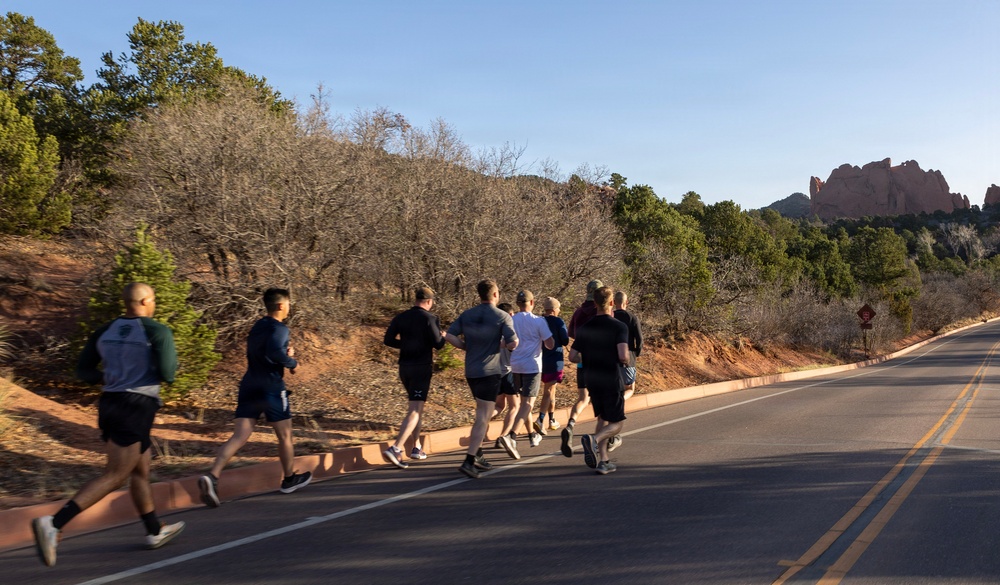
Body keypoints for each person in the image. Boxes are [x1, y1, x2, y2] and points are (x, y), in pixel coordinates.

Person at [32, 283, 184, 567]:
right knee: (116, 474)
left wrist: (111, 378)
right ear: (147, 301)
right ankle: (53, 523)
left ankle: (154, 530)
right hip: (136, 406)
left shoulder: (104, 330)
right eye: (154, 300)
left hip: (110, 403)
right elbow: (168, 374)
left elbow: (84, 371)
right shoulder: (157, 331)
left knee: (140, 468)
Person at [199, 288, 311, 507]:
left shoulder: (257, 326)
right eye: (288, 303)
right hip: (271, 386)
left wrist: (282, 356)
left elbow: (261, 352)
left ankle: (212, 476)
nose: (289, 307)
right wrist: (292, 362)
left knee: (239, 436)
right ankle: (289, 479)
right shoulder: (280, 328)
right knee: (285, 436)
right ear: (280, 306)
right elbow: (274, 353)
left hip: (249, 384)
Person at [445, 279, 518, 478]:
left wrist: (465, 347)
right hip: (490, 371)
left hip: (471, 371)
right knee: (483, 417)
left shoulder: (467, 314)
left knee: (481, 412)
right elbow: (513, 343)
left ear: (480, 295)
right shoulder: (502, 316)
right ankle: (469, 460)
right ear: (495, 295)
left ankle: (478, 454)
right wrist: (501, 345)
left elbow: (449, 336)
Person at [382, 286, 447, 469]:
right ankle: (396, 448)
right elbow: (438, 344)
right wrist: (443, 335)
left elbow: (388, 340)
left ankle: (416, 447)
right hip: (421, 367)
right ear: (429, 301)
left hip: (404, 367)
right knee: (415, 410)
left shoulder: (401, 317)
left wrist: (406, 344)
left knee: (416, 406)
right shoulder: (430, 318)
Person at [568, 286, 629, 475]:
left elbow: (572, 356)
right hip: (611, 377)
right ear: (611, 303)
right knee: (617, 423)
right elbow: (623, 356)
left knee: (602, 417)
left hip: (592, 378)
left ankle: (604, 461)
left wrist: (588, 357)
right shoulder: (619, 326)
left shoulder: (585, 328)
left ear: (594, 303)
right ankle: (594, 440)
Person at [495, 291, 553, 457]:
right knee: (527, 404)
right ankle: (511, 436)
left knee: (522, 404)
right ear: (532, 302)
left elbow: (506, 343)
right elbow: (549, 344)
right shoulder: (539, 321)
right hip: (532, 366)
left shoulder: (511, 320)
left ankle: (531, 435)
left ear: (518, 303)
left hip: (515, 366)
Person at [561, 279, 602, 458]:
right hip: (599, 361)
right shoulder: (599, 311)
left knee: (583, 397)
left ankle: (570, 424)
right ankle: (598, 442)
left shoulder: (578, 312)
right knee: (600, 400)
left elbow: (571, 334)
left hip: (581, 360)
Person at [609, 290, 643, 452]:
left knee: (615, 387)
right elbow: (639, 339)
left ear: (613, 302)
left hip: (611, 357)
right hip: (628, 356)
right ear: (626, 302)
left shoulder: (610, 316)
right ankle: (620, 402)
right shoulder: (631, 317)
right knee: (630, 388)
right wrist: (636, 353)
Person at [536, 297, 569, 435]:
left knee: (552, 390)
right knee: (548, 391)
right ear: (555, 309)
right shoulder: (558, 321)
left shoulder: (538, 321)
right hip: (554, 360)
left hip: (539, 360)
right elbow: (565, 340)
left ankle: (552, 419)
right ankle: (540, 419)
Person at [492, 302, 516, 449]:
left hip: (494, 372)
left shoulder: (491, 330)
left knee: (499, 405)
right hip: (508, 371)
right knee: (515, 406)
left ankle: (482, 419)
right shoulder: (509, 331)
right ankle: (503, 436)